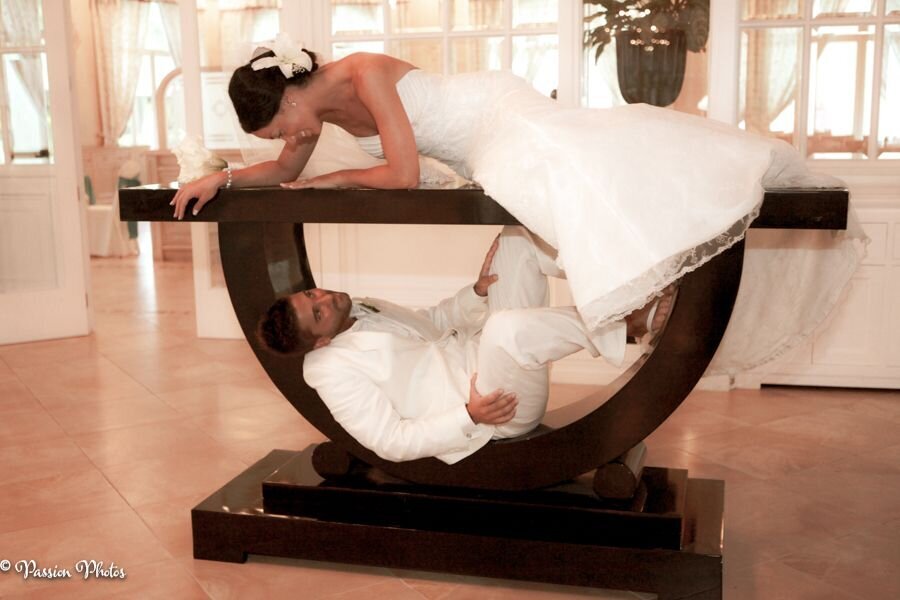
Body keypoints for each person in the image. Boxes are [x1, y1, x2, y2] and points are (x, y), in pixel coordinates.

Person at [171, 33, 811, 336]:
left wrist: (334, 176)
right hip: (474, 147)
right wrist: (220, 177)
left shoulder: (362, 73)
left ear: (287, 94)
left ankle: (643, 283)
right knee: (528, 185)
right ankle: (637, 292)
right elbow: (283, 174)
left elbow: (403, 173)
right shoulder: (312, 113)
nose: (287, 136)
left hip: (492, 112)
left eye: (280, 123)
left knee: (553, 168)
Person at [257, 226, 672, 464]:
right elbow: (390, 442)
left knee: (514, 241)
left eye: (311, 296)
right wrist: (468, 416)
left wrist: (476, 292)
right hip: (492, 412)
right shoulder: (328, 370)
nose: (324, 299)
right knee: (504, 330)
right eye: (317, 313)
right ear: (322, 340)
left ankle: (623, 285)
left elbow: (432, 325)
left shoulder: (359, 308)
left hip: (486, 356)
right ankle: (631, 320)